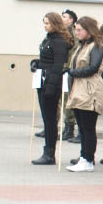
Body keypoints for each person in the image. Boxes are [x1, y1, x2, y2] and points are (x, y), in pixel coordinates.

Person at [64, 17, 103, 173]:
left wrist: (72, 72)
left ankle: (88, 159)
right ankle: (84, 156)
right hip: (78, 88)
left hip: (90, 89)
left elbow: (93, 67)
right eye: (76, 30)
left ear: (89, 30)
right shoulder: (81, 46)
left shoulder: (97, 46)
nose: (76, 33)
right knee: (82, 127)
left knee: (88, 126)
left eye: (79, 30)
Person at [31, 13, 69, 166]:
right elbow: (46, 59)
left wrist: (52, 86)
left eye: (47, 23)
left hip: (50, 83)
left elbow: (58, 65)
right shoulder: (48, 39)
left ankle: (49, 153)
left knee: (50, 119)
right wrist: (36, 63)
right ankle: (47, 151)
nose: (45, 26)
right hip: (43, 80)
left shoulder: (59, 41)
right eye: (44, 23)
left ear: (55, 24)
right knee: (47, 119)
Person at [61, 9, 79, 144]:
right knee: (63, 98)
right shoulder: (61, 33)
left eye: (64, 17)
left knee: (69, 98)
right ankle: (67, 127)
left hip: (70, 70)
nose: (62, 19)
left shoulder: (74, 33)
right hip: (62, 69)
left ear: (71, 20)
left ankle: (70, 127)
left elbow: (74, 52)